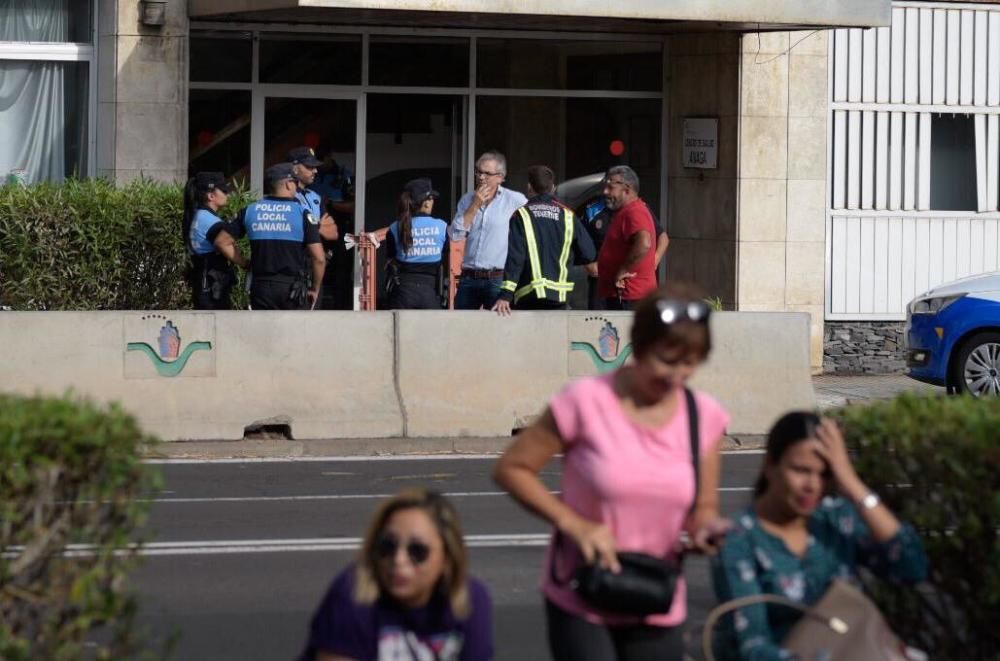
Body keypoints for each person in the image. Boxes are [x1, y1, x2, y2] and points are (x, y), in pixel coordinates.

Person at [493, 285, 734, 661]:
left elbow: (703, 507)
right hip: (583, 591)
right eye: (666, 360)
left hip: (655, 593)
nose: (677, 375)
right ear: (639, 345)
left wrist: (707, 530)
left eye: (690, 364)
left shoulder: (705, 417)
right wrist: (575, 525)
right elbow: (513, 468)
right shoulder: (585, 401)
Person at [710, 413, 929, 661]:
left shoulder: (835, 519)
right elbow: (752, 647)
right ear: (770, 465)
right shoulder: (740, 539)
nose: (812, 485)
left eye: (825, 474)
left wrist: (851, 481)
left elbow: (911, 565)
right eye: (801, 470)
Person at [300, 489, 494, 661]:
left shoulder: (470, 600)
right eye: (388, 546)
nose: (398, 560)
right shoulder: (354, 593)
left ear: (447, 558)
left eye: (417, 551)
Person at [492, 165, 595, 315]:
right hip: (558, 297)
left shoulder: (521, 215)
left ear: (529, 187)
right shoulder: (567, 215)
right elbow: (589, 254)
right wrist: (567, 257)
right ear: (552, 188)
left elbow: (516, 257)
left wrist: (506, 295)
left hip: (528, 297)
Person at [234, 163, 325, 310]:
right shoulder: (303, 214)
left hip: (260, 287)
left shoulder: (249, 211)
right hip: (291, 289)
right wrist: (315, 289)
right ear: (289, 184)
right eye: (295, 183)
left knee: (263, 331)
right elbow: (319, 259)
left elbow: (222, 241)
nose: (296, 187)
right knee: (294, 332)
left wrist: (244, 263)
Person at [448, 151, 528, 310]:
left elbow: (530, 230)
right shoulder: (468, 199)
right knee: (461, 328)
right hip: (469, 277)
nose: (481, 177)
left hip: (497, 278)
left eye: (487, 173)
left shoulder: (514, 200)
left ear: (500, 177)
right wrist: (475, 205)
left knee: (500, 330)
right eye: (478, 171)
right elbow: (455, 234)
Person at [583, 197, 669, 310]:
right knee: (599, 322)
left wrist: (654, 260)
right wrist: (587, 263)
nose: (607, 191)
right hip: (601, 280)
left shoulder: (637, 209)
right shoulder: (593, 209)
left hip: (631, 283)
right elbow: (579, 239)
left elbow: (663, 238)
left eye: (612, 186)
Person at [182, 171, 249, 310]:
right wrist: (245, 263)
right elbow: (223, 244)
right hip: (212, 287)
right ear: (211, 196)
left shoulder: (199, 215)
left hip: (204, 283)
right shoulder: (209, 220)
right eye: (223, 191)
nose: (227, 195)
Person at [596, 166, 658, 311]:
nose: (605, 192)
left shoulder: (634, 211)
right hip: (622, 296)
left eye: (610, 187)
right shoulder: (627, 212)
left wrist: (622, 271)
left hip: (628, 297)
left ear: (627, 189)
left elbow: (644, 243)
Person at [384, 178, 448, 310]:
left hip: (402, 293)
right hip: (431, 293)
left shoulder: (395, 227)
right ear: (426, 203)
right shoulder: (442, 226)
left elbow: (391, 258)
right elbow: (445, 255)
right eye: (431, 198)